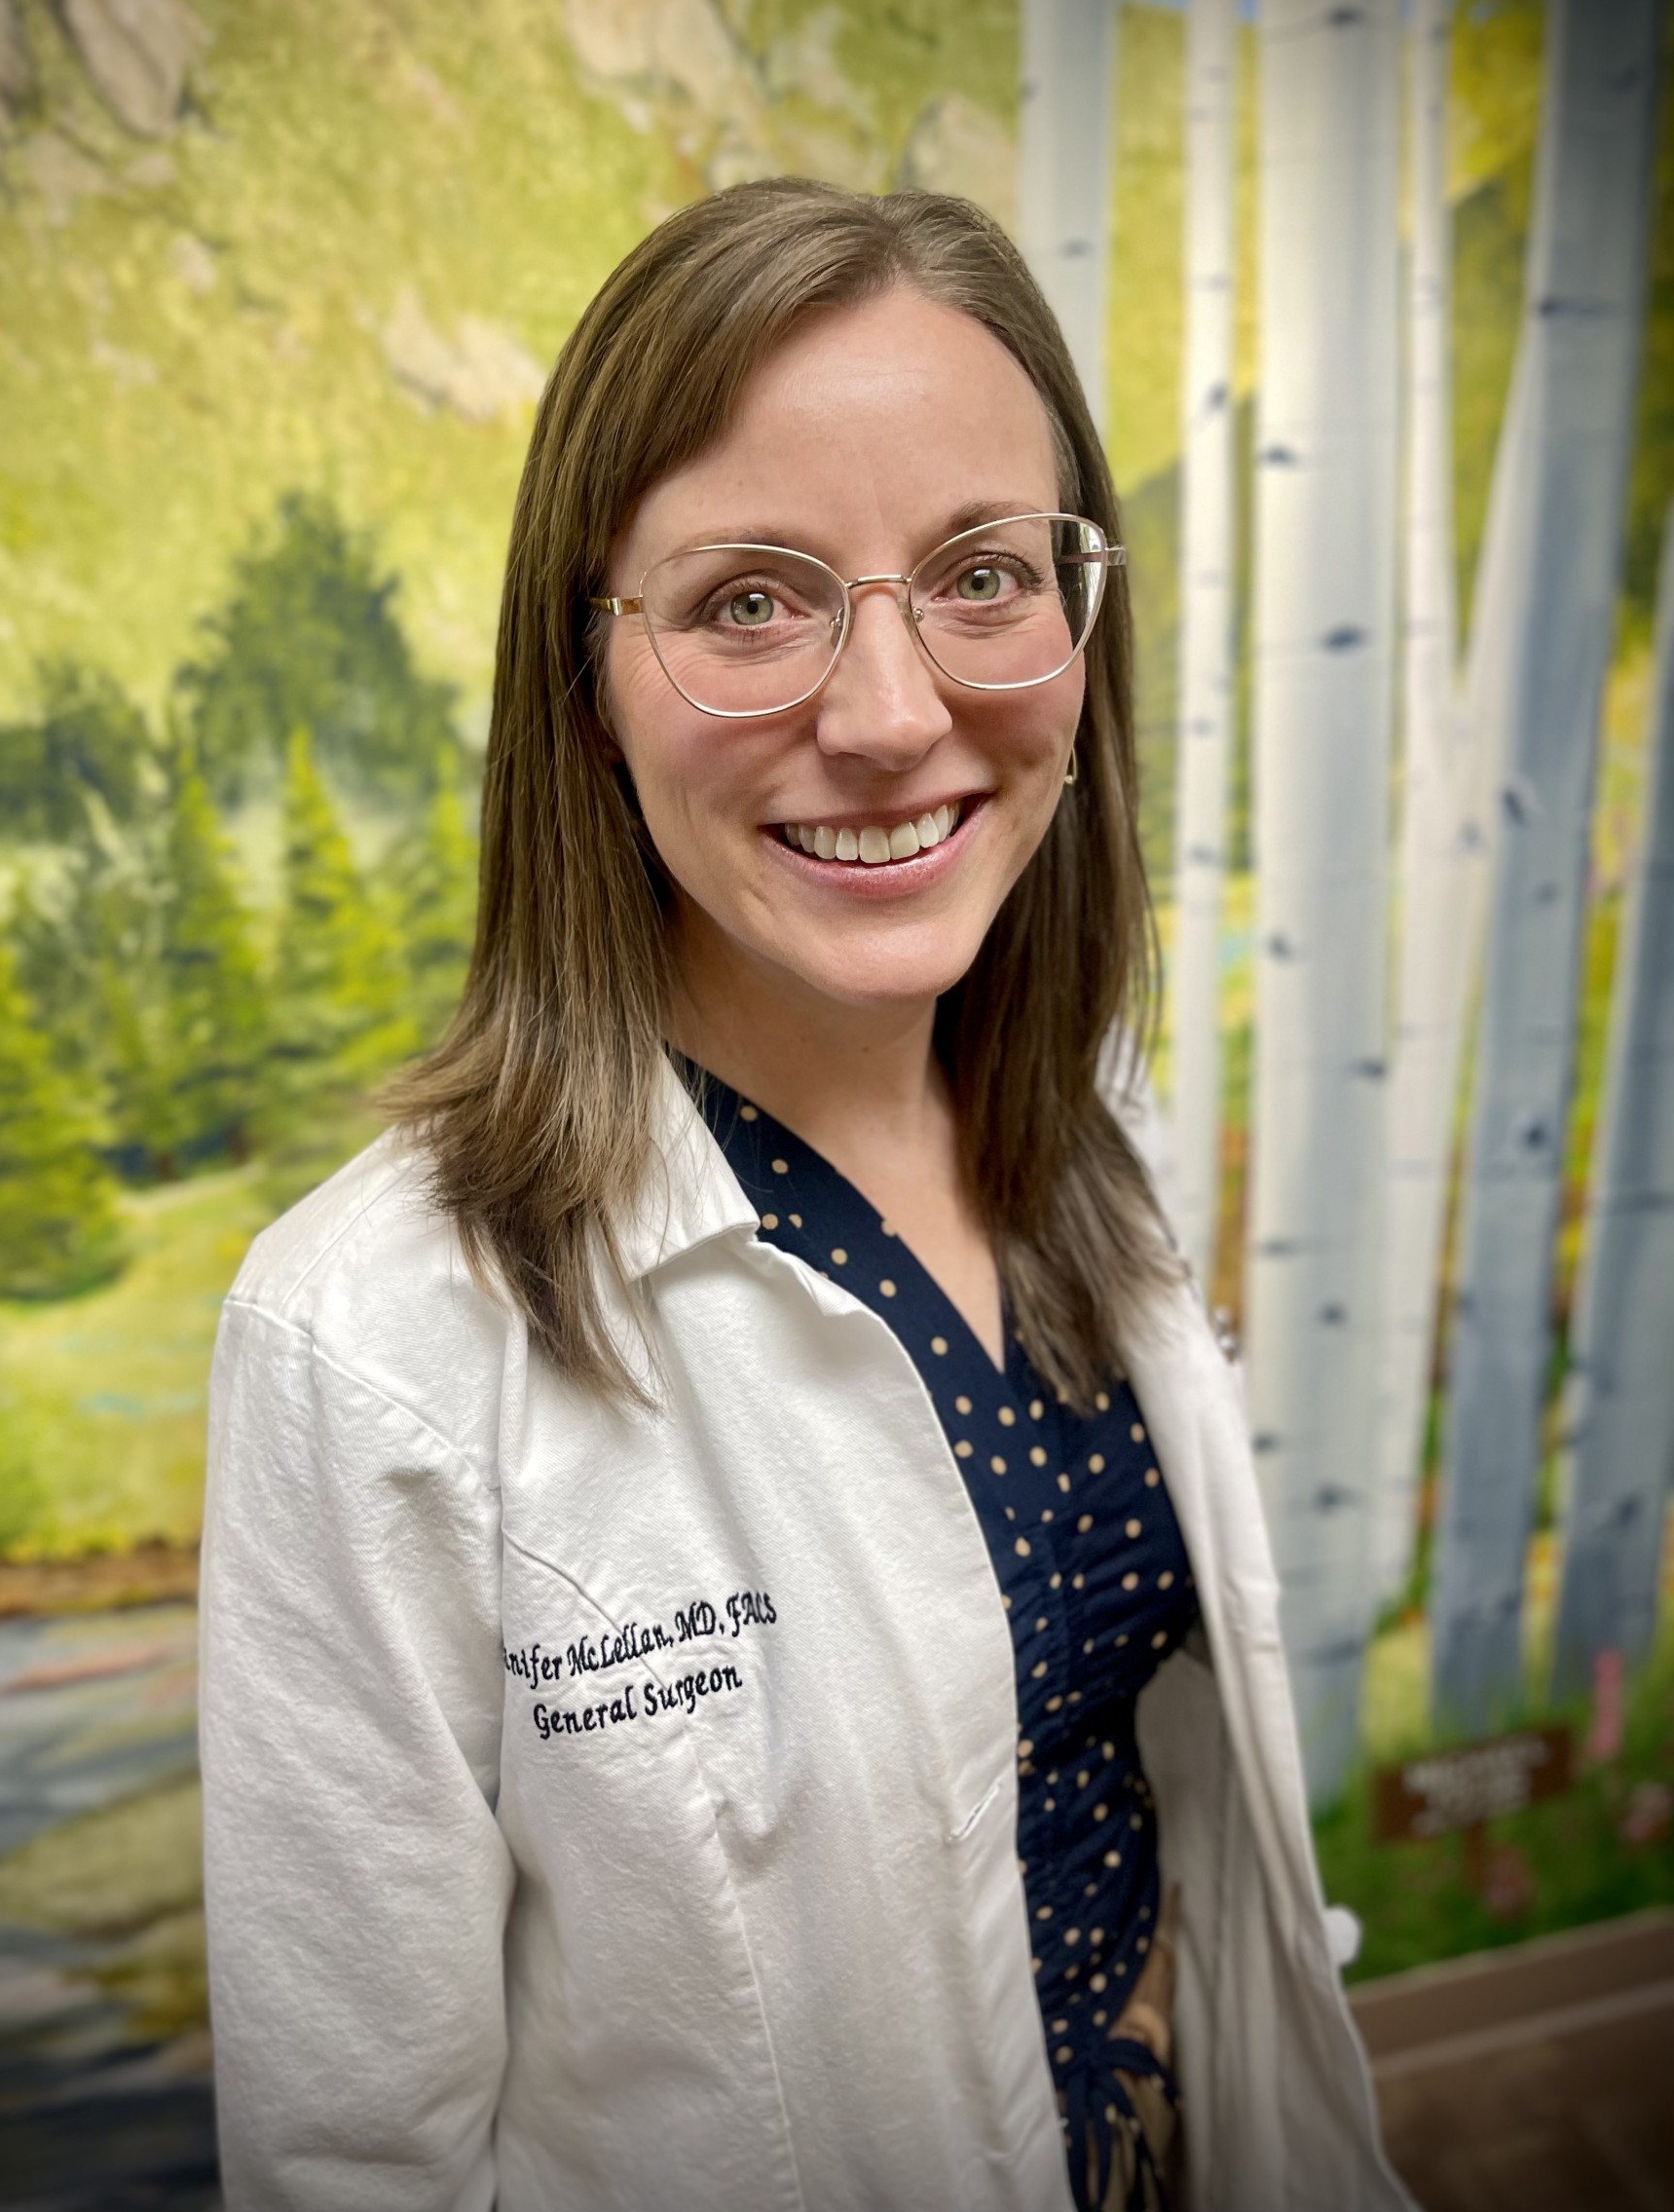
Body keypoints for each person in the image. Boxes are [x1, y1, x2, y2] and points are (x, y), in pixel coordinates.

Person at [200, 181, 1413, 2212]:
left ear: (1080, 617)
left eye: (982, 576)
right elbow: (353, 2167)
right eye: (750, 600)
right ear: (589, 679)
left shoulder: (1083, 1135)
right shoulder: (366, 1340)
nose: (886, 714)